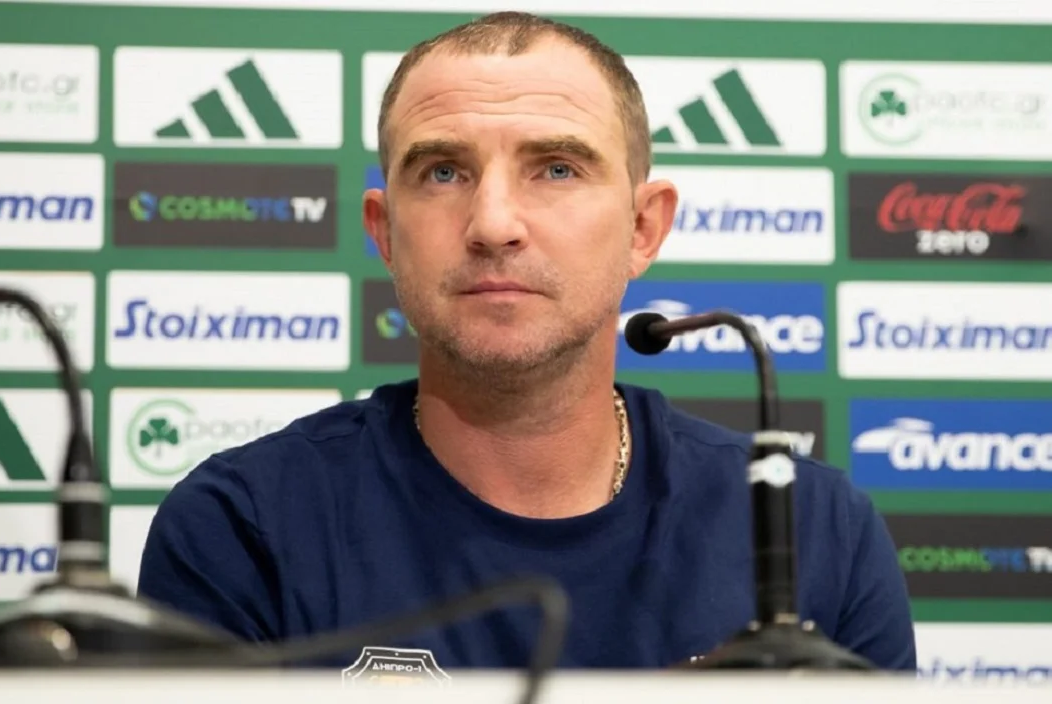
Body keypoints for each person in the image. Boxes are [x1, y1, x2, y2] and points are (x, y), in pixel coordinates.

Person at [136, 11, 917, 676]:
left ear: (642, 228)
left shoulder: (812, 530)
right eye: (443, 173)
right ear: (384, 231)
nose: (492, 224)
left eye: (556, 168)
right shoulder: (243, 527)